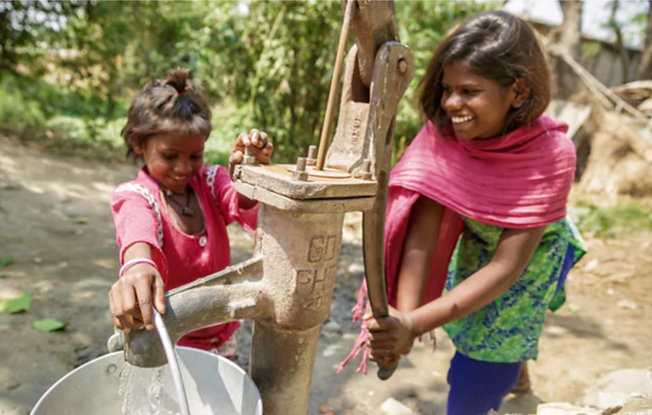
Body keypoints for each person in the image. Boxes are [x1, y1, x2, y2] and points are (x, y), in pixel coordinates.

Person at [344, 11, 586, 414]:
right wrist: (401, 324)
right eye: (447, 89)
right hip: (478, 238)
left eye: (470, 91)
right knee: (474, 325)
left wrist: (413, 326)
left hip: (532, 255)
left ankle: (504, 370)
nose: (452, 103)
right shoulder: (446, 134)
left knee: (475, 372)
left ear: (519, 92)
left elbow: (507, 268)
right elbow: (422, 234)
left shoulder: (552, 154)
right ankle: (515, 371)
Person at [108, 67, 273, 359]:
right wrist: (137, 269)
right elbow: (137, 234)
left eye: (195, 155)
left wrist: (250, 174)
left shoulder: (211, 183)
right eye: (170, 156)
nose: (184, 168)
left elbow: (243, 203)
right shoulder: (136, 196)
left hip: (220, 339)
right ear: (138, 144)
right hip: (168, 346)